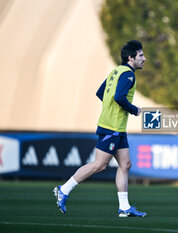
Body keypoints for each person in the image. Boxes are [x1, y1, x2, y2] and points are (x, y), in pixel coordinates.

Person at [54, 40, 147, 217]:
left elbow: (100, 92)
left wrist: (110, 110)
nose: (144, 58)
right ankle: (63, 189)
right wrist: (135, 110)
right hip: (111, 127)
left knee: (125, 164)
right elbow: (119, 97)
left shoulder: (116, 71)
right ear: (131, 58)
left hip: (117, 127)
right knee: (100, 165)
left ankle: (124, 208)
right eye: (141, 55)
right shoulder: (128, 75)